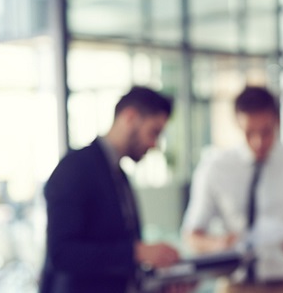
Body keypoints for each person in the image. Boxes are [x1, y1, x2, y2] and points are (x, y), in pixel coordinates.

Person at [40, 86, 184, 293]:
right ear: (130, 117)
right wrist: (136, 253)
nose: (154, 144)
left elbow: (115, 258)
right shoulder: (75, 168)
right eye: (154, 132)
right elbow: (61, 254)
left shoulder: (118, 175)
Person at [181, 86, 283, 293]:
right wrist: (220, 245)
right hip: (235, 285)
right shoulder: (214, 168)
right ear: (237, 123)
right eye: (249, 133)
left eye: (266, 132)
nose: (258, 142)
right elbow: (192, 234)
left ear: (277, 121)